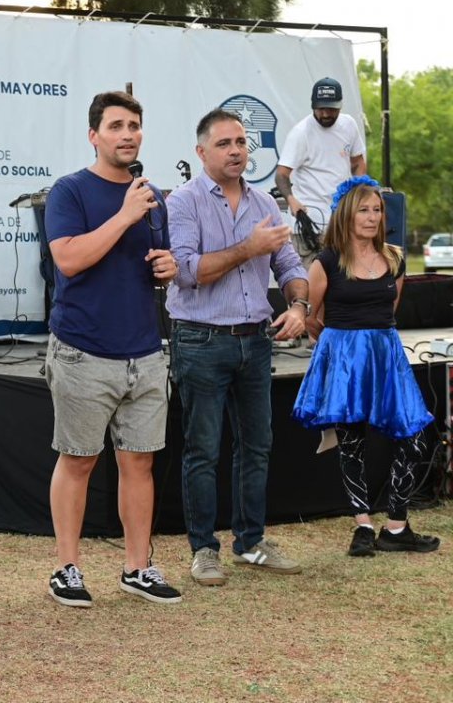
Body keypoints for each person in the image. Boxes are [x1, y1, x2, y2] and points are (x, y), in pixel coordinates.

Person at [43, 91, 182, 608]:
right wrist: (124, 216)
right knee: (78, 460)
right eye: (116, 126)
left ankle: (137, 567)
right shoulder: (70, 191)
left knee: (139, 463)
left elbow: (149, 264)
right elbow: (69, 260)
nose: (128, 134)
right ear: (93, 135)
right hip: (83, 350)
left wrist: (167, 267)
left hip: (144, 351)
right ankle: (67, 567)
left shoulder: (151, 195)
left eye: (134, 126)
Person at [167, 109, 309, 587]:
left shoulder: (265, 201)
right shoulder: (183, 202)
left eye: (242, 142)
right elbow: (187, 271)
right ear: (201, 151)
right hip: (201, 339)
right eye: (224, 143)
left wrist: (299, 305)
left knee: (257, 446)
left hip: (255, 340)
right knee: (203, 450)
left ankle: (250, 542)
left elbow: (290, 266)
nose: (236, 151)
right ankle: (203, 550)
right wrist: (249, 247)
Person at [292, 177, 440, 556]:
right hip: (344, 358)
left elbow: (390, 310)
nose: (373, 217)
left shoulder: (394, 258)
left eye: (377, 210)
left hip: (385, 355)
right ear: (346, 214)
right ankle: (363, 525)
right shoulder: (327, 261)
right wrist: (339, 343)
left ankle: (396, 525)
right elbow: (311, 317)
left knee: (415, 437)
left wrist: (373, 340)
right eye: (364, 210)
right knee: (352, 441)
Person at [274, 77, 367, 264]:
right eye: (320, 108)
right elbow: (281, 175)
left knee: (343, 276)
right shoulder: (301, 133)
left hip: (341, 222)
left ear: (340, 106)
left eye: (331, 109)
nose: (325, 114)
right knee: (309, 278)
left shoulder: (349, 125)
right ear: (313, 105)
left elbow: (358, 162)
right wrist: (292, 201)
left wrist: (359, 193)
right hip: (310, 222)